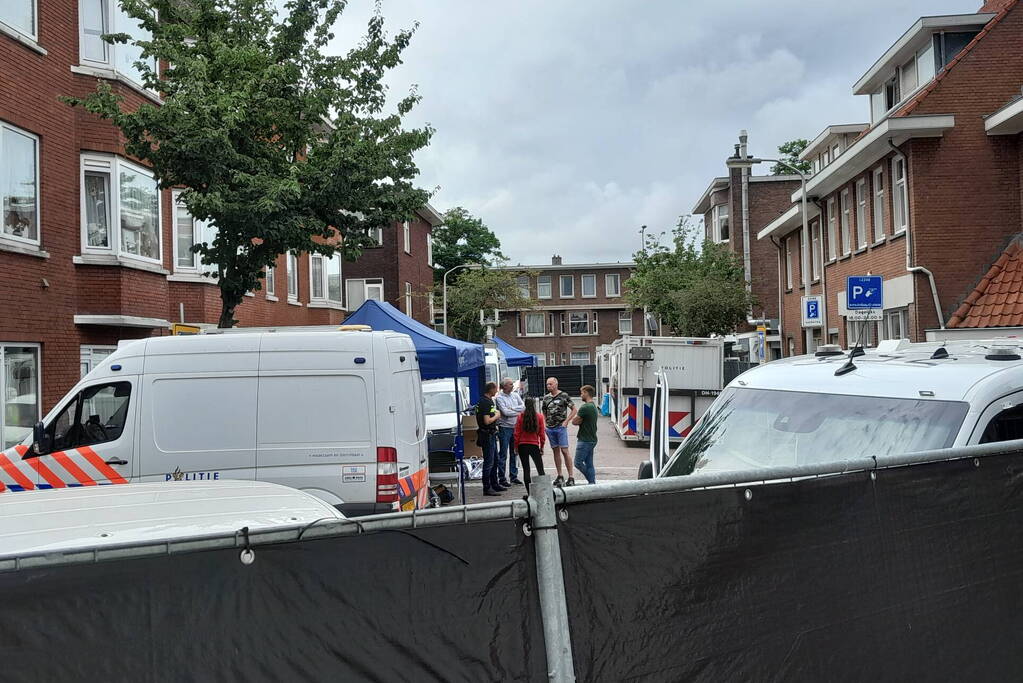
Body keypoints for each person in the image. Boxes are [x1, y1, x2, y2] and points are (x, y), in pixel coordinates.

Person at [541, 377, 577, 486]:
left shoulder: (564, 396)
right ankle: (560, 475)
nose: (548, 386)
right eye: (547, 384)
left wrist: (566, 421)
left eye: (550, 384)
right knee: (555, 451)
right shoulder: (546, 398)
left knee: (565, 451)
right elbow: (544, 411)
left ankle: (571, 476)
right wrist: (545, 424)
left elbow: (574, 409)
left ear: (556, 384)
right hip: (550, 428)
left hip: (560, 428)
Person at [495, 378, 525, 486]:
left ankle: (513, 476)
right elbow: (505, 412)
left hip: (516, 427)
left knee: (515, 452)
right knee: (503, 453)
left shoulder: (515, 395)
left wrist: (511, 408)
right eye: (510, 384)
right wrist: (517, 412)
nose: (512, 386)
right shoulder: (499, 398)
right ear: (504, 386)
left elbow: (523, 407)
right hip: (505, 427)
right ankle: (502, 478)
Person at [475, 381, 504, 496]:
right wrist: (497, 415)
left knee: (495, 460)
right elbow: (487, 421)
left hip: (490, 434)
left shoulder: (484, 401)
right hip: (487, 435)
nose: (497, 391)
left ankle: (494, 484)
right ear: (491, 389)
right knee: (489, 462)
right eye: (496, 388)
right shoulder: (486, 403)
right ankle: (487, 487)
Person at [513, 397, 546, 492]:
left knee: (526, 470)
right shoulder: (539, 417)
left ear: (525, 405)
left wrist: (516, 446)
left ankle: (529, 493)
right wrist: (542, 446)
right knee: (540, 469)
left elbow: (517, 433)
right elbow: (542, 434)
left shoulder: (520, 416)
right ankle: (544, 490)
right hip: (534, 445)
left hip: (522, 445)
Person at [572, 384, 599, 485]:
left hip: (584, 440)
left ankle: (591, 480)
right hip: (592, 439)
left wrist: (579, 420)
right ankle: (592, 483)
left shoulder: (585, 407)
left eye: (582, 393)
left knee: (578, 463)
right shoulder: (593, 406)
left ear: (586, 393)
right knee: (589, 463)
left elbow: (574, 421)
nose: (581, 395)